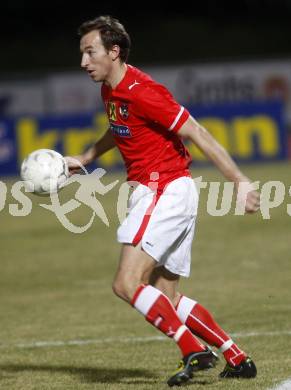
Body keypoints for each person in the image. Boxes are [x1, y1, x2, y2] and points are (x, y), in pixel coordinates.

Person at [66, 15, 260, 387]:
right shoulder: (111, 88)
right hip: (173, 191)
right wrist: (88, 157)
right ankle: (235, 357)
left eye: (90, 52)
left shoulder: (143, 90)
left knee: (126, 283)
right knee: (165, 294)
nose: (83, 62)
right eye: (82, 53)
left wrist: (239, 181)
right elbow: (120, 125)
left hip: (162, 190)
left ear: (114, 51)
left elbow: (197, 132)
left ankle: (192, 349)